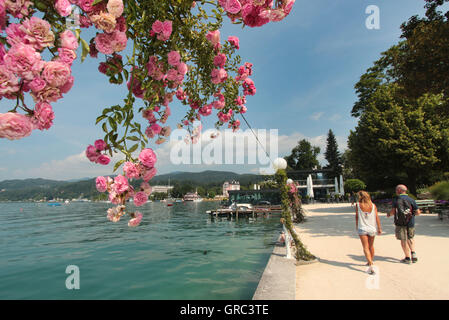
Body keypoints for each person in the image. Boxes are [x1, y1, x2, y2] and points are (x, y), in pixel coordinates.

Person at [387, 184, 421, 264]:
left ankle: (407, 257)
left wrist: (389, 214)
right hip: (410, 222)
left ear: (399, 190)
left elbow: (393, 212)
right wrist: (410, 214)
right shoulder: (411, 199)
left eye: (396, 190)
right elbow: (418, 212)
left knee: (403, 240)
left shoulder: (396, 199)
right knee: (410, 237)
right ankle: (413, 252)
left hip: (400, 222)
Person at [355, 191, 382, 274]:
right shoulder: (373, 206)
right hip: (372, 228)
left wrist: (356, 226)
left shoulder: (358, 205)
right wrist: (379, 228)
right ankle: (370, 260)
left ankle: (370, 264)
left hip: (362, 228)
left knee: (365, 247)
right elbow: (376, 217)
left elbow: (357, 217)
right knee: (371, 246)